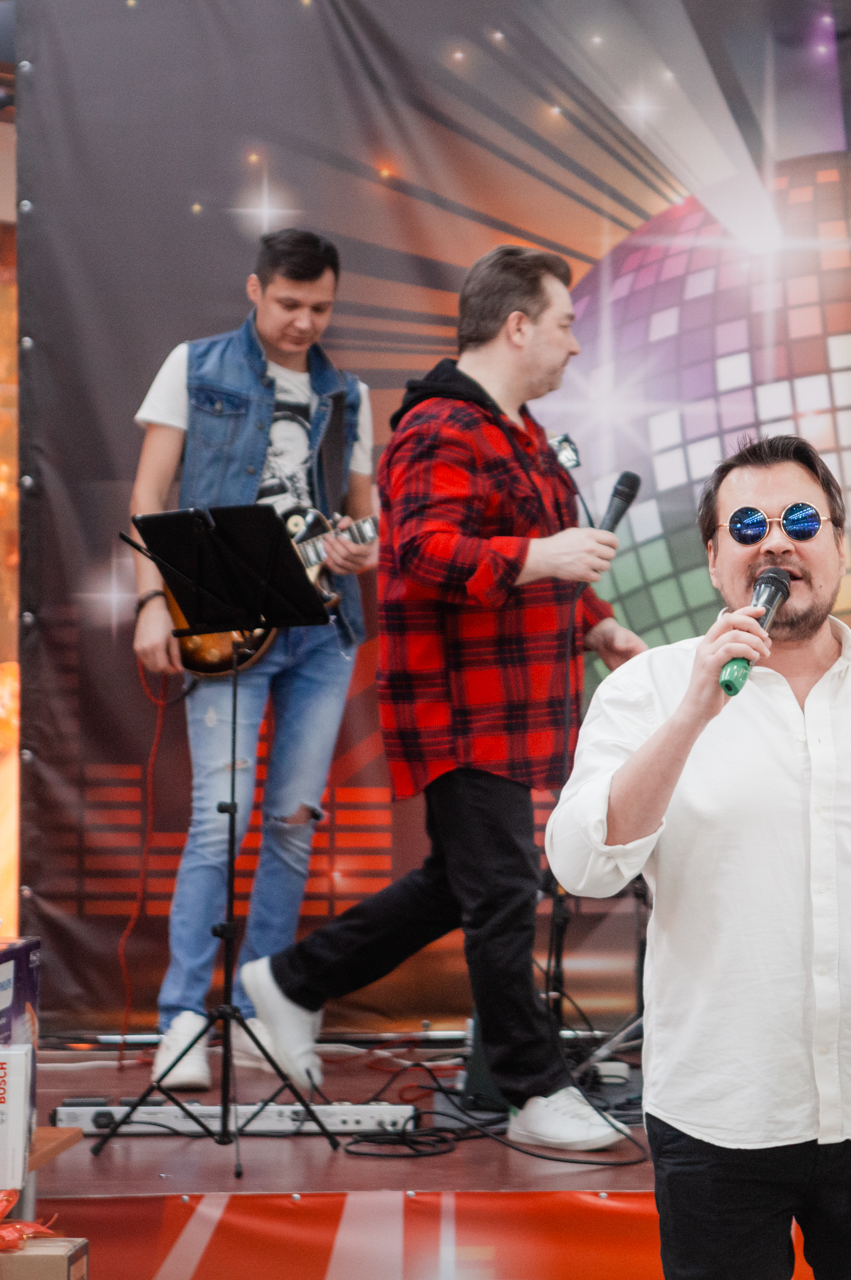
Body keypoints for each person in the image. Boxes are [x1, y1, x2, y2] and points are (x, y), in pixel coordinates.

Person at [547, 435, 851, 1280]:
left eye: (801, 521)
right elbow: (581, 865)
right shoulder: (648, 691)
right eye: (748, 525)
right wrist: (692, 714)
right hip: (720, 1114)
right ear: (715, 559)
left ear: (839, 546)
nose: (776, 541)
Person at [240, 246, 646, 1151]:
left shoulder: (518, 430)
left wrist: (598, 625)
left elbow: (539, 550)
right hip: (464, 703)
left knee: (461, 883)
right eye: (565, 324)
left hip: (513, 700)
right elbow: (421, 549)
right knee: (499, 889)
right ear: (518, 327)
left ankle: (294, 980)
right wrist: (542, 557)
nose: (575, 344)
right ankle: (533, 1089)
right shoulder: (438, 428)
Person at [129, 229, 379, 1091]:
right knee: (219, 820)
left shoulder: (347, 393)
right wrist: (152, 602)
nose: (304, 322)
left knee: (292, 825)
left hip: (322, 631)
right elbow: (148, 494)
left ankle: (266, 1009)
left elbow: (363, 515)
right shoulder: (194, 366)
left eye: (320, 307)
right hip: (224, 621)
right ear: (255, 290)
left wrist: (361, 546)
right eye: (288, 304)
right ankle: (182, 1018)